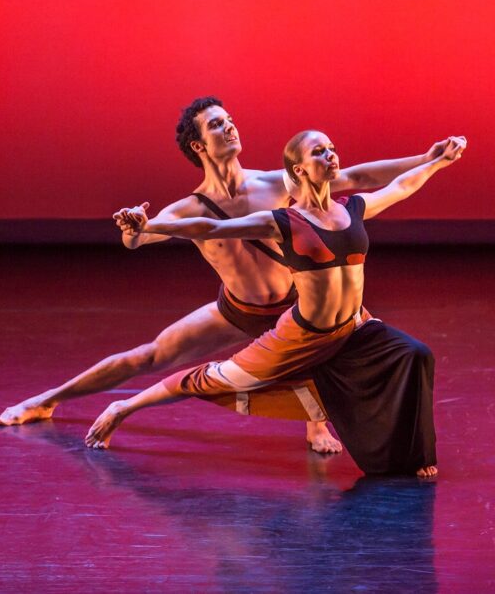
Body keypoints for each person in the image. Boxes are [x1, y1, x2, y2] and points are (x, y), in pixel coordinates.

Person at [0, 96, 459, 453]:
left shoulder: (278, 183)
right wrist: (134, 228)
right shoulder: (189, 208)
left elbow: (355, 177)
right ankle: (47, 399)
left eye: (230, 119)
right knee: (149, 356)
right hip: (238, 309)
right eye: (216, 124)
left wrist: (426, 158)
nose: (230, 127)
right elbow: (138, 242)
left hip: (302, 308)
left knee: (329, 347)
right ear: (199, 145)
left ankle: (316, 423)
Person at [84, 130, 466, 477]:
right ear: (299, 169)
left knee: (416, 354)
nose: (331, 156)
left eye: (333, 149)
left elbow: (401, 185)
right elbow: (210, 228)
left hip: (354, 329)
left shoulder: (354, 208)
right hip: (302, 336)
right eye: (320, 152)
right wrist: (150, 226)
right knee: (216, 378)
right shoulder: (282, 221)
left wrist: (437, 161)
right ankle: (124, 407)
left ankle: (415, 457)